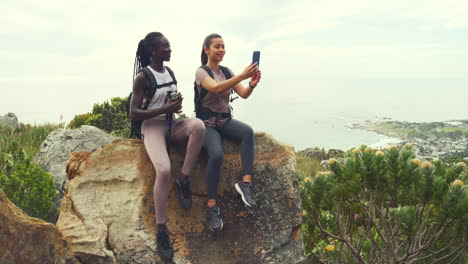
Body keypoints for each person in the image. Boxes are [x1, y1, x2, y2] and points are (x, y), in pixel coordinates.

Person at [130, 32, 205, 261]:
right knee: (163, 170)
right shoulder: (143, 77)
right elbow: (134, 112)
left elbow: (167, 102)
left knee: (199, 127)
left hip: (171, 124)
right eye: (166, 46)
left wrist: (175, 103)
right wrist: (165, 109)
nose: (170, 49)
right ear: (154, 51)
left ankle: (183, 179)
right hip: (152, 126)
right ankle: (161, 228)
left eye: (169, 45)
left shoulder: (169, 72)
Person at [194, 33, 262, 231]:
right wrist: (242, 76)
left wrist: (252, 84)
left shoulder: (226, 71)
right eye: (217, 46)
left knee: (247, 132)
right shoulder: (201, 72)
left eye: (223, 46)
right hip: (207, 124)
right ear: (207, 49)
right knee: (216, 155)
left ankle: (246, 184)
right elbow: (215, 89)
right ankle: (211, 206)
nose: (222, 50)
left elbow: (243, 94)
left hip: (224, 121)